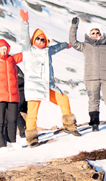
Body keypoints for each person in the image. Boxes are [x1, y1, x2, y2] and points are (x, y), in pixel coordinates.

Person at [21, 11, 78, 142]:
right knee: (32, 114)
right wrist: (25, 22)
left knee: (63, 99)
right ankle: (32, 138)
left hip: (48, 86)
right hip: (34, 87)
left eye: (43, 39)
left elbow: (57, 47)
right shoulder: (28, 50)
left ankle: (69, 125)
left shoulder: (47, 51)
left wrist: (67, 45)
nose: (40, 41)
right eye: (38, 39)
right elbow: (24, 38)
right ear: (33, 40)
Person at [68, 18, 106, 131]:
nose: (95, 35)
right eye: (93, 33)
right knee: (93, 101)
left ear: (100, 34)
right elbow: (73, 42)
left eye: (97, 33)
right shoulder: (85, 46)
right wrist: (74, 27)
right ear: (89, 34)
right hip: (91, 78)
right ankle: (94, 124)